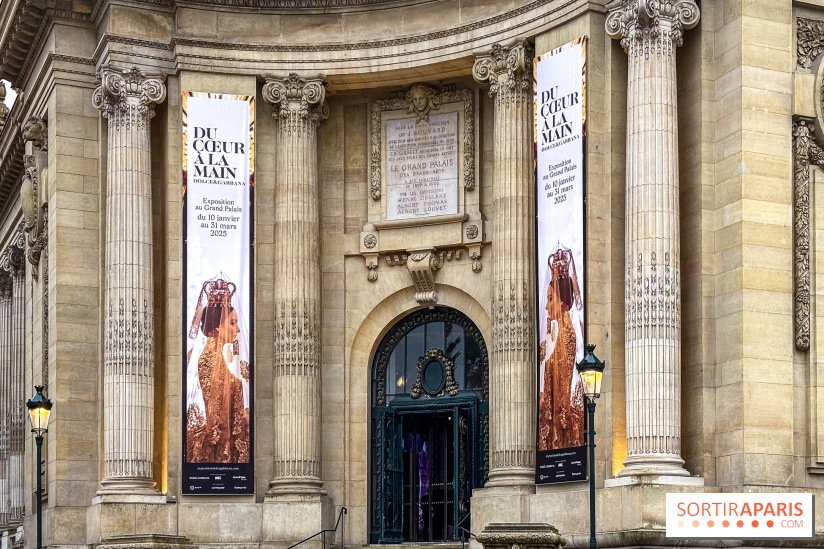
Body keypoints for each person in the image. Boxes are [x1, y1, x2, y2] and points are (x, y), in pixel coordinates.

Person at [186, 277, 250, 463]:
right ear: (216, 327)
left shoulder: (219, 357)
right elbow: (216, 418)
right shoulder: (211, 360)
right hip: (220, 445)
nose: (237, 329)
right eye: (232, 323)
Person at [538, 245, 585, 451]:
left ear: (564, 302)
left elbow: (563, 389)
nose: (547, 306)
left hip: (560, 421)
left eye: (550, 299)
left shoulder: (566, 335)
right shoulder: (556, 333)